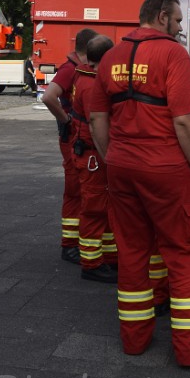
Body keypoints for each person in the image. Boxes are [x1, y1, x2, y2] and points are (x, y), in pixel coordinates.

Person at [90, 0, 190, 369]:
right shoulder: (172, 55)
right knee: (186, 255)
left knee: (131, 254)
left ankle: (135, 341)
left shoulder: (109, 57)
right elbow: (184, 119)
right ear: (161, 17)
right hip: (167, 169)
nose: (180, 29)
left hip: (123, 167)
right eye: (178, 21)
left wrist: (112, 157)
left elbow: (98, 118)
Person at [42, 28, 97, 263]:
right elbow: (48, 96)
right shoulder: (70, 69)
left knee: (79, 191)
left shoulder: (76, 68)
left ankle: (74, 242)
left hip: (74, 138)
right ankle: (70, 245)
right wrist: (66, 121)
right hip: (72, 138)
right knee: (75, 191)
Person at [69, 35, 118, 283]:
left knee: (104, 207)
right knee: (94, 209)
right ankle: (91, 262)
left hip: (90, 153)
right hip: (93, 155)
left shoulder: (85, 76)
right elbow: (96, 121)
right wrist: (108, 155)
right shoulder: (91, 85)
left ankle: (107, 257)